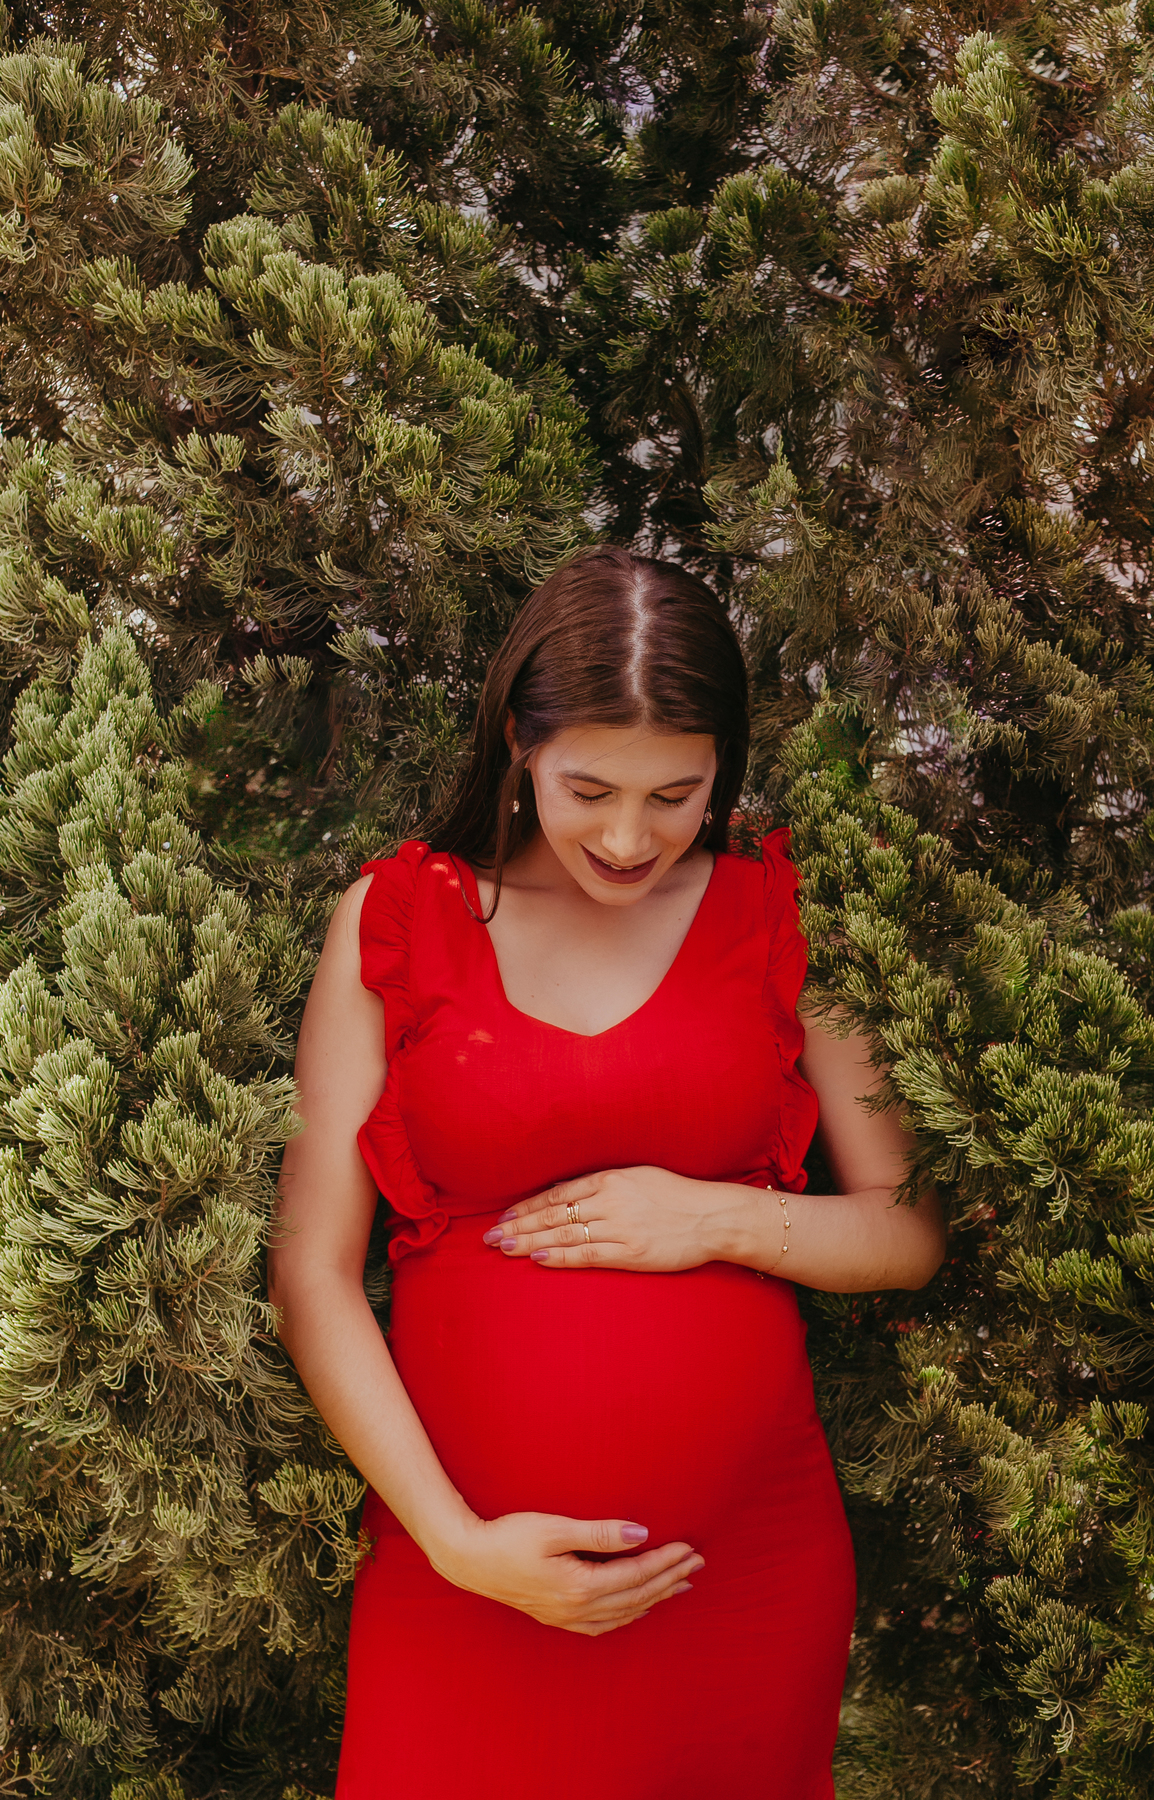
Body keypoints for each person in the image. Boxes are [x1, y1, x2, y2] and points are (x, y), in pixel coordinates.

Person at [268, 546, 946, 1800]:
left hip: (741, 1584)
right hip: (458, 1573)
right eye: (589, 788)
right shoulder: (399, 915)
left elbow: (906, 1235)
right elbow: (311, 1273)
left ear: (721, 774)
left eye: (675, 795)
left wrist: (712, 1217)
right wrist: (458, 1545)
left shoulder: (781, 915)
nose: (629, 837)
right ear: (519, 744)